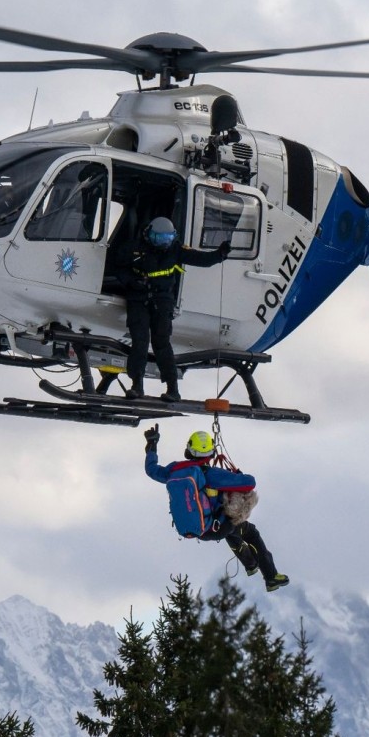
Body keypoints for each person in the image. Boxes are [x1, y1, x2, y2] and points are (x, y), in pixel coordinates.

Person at [144, 424, 290, 592]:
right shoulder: (211, 474)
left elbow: (151, 470)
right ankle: (271, 577)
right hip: (216, 527)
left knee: (233, 529)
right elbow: (250, 482)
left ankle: (251, 565)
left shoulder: (175, 470)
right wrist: (237, 475)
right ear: (211, 452)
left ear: (189, 450)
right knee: (250, 533)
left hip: (199, 529)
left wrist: (152, 446)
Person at [119, 216, 230, 401]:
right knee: (140, 341)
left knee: (161, 343)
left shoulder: (176, 250)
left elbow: (200, 258)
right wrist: (131, 281)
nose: (163, 243)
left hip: (162, 299)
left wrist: (219, 255)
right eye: (159, 239)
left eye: (167, 239)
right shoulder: (134, 248)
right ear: (148, 235)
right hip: (137, 297)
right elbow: (118, 265)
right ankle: (137, 385)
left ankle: (173, 389)